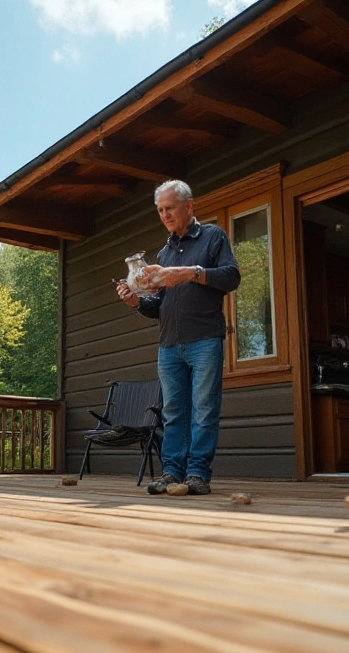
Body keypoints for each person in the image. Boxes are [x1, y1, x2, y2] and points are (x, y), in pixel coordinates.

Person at [116, 180, 240, 495]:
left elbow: (231, 276)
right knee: (174, 412)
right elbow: (159, 307)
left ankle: (197, 474)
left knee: (204, 409)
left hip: (205, 339)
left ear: (189, 206)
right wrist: (135, 301)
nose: (165, 215)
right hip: (169, 344)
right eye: (160, 210)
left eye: (170, 208)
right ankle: (172, 473)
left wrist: (186, 273)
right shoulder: (163, 252)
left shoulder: (213, 236)